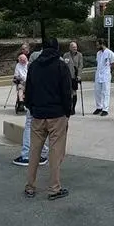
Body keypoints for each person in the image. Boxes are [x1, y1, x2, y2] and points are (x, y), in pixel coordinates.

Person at [23, 37, 72, 200]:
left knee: (35, 151)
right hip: (56, 114)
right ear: (57, 48)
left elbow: (28, 90)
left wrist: (31, 107)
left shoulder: (34, 66)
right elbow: (66, 92)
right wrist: (68, 112)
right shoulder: (61, 66)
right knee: (55, 151)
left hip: (38, 114)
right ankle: (54, 188)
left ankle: (30, 186)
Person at [12, 43, 49, 167]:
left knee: (30, 126)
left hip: (35, 102)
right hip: (44, 102)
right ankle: (43, 151)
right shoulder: (48, 67)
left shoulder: (34, 69)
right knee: (38, 127)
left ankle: (27, 154)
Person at [93, 38, 114, 116]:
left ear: (102, 44)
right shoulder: (98, 53)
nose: (96, 46)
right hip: (98, 74)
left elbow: (113, 65)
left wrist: (109, 72)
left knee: (105, 92)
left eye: (97, 45)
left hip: (106, 75)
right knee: (97, 91)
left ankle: (105, 109)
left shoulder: (110, 53)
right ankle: (99, 107)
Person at [63, 42, 83, 115]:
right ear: (70, 48)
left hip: (75, 76)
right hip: (67, 76)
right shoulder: (66, 55)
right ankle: (68, 107)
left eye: (76, 47)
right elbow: (63, 65)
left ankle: (73, 108)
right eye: (73, 47)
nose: (75, 48)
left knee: (74, 92)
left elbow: (81, 66)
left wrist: (79, 75)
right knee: (68, 92)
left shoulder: (79, 55)